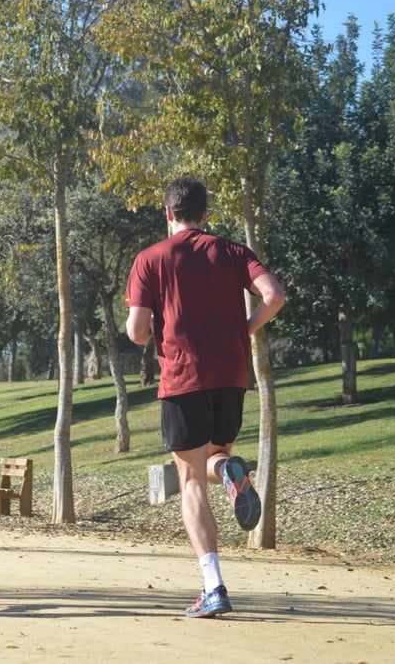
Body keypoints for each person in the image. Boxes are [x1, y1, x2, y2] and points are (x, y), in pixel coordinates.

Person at [125, 176, 286, 619]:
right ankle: (231, 470)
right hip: (232, 377)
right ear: (206, 213)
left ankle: (213, 587)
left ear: (167, 213)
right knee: (214, 459)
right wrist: (244, 331)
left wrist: (145, 329)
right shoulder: (234, 252)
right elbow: (274, 295)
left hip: (182, 377)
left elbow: (137, 332)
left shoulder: (149, 259)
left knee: (191, 480)